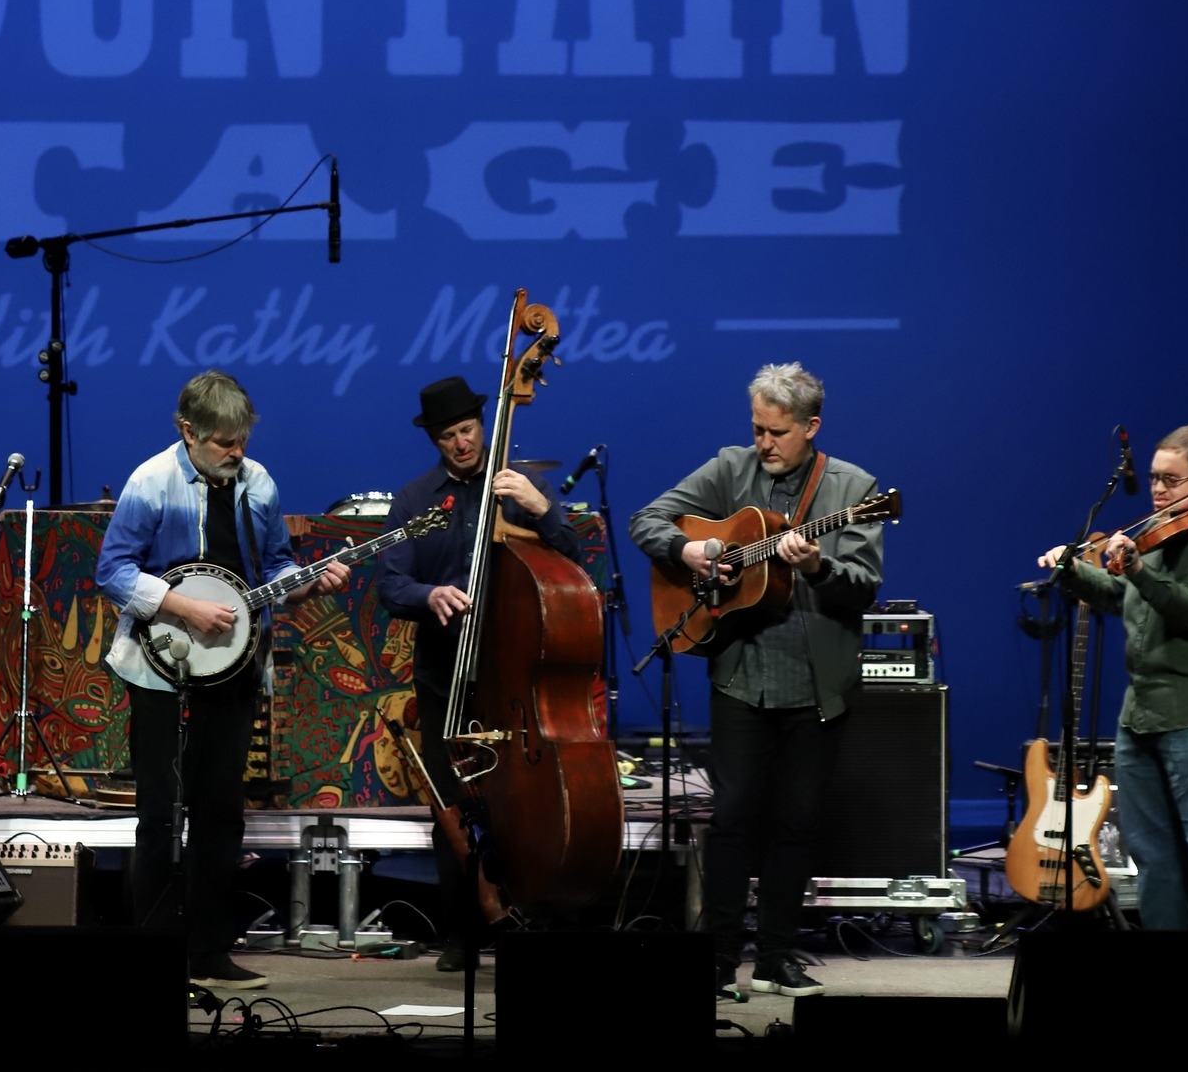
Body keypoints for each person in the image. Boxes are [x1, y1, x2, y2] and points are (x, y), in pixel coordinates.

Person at [628, 363, 882, 998]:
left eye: (777, 432)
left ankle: (777, 956)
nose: (765, 443)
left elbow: (863, 587)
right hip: (742, 676)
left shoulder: (855, 488)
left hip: (816, 684)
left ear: (810, 427)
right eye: (758, 430)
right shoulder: (729, 468)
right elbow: (647, 520)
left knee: (796, 824)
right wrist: (690, 551)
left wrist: (818, 566)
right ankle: (717, 959)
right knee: (733, 820)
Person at [96, 371, 348, 991]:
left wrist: (310, 584)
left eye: (242, 440)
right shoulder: (151, 481)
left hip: (234, 668)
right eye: (223, 442)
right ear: (188, 431)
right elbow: (113, 571)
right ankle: (156, 958)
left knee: (221, 814)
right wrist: (186, 608)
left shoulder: (258, 483)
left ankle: (210, 951)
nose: (236, 452)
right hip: (160, 667)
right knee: (161, 815)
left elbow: (278, 567)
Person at [1039, 425, 1188, 1015]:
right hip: (1147, 712)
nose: (1159, 491)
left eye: (1172, 480)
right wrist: (1073, 570)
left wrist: (1139, 569)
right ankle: (1175, 969)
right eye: (1153, 479)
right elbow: (1126, 598)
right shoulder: (1162, 535)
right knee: (1155, 855)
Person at [372, 375, 584, 970]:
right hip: (446, 671)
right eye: (448, 437)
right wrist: (429, 594)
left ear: (481, 425)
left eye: (466, 431)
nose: (461, 444)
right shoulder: (415, 500)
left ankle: (534, 914)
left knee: (525, 797)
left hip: (517, 671)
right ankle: (462, 933)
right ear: (434, 440)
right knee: (454, 803)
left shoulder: (520, 487)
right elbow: (391, 583)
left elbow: (572, 558)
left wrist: (541, 509)